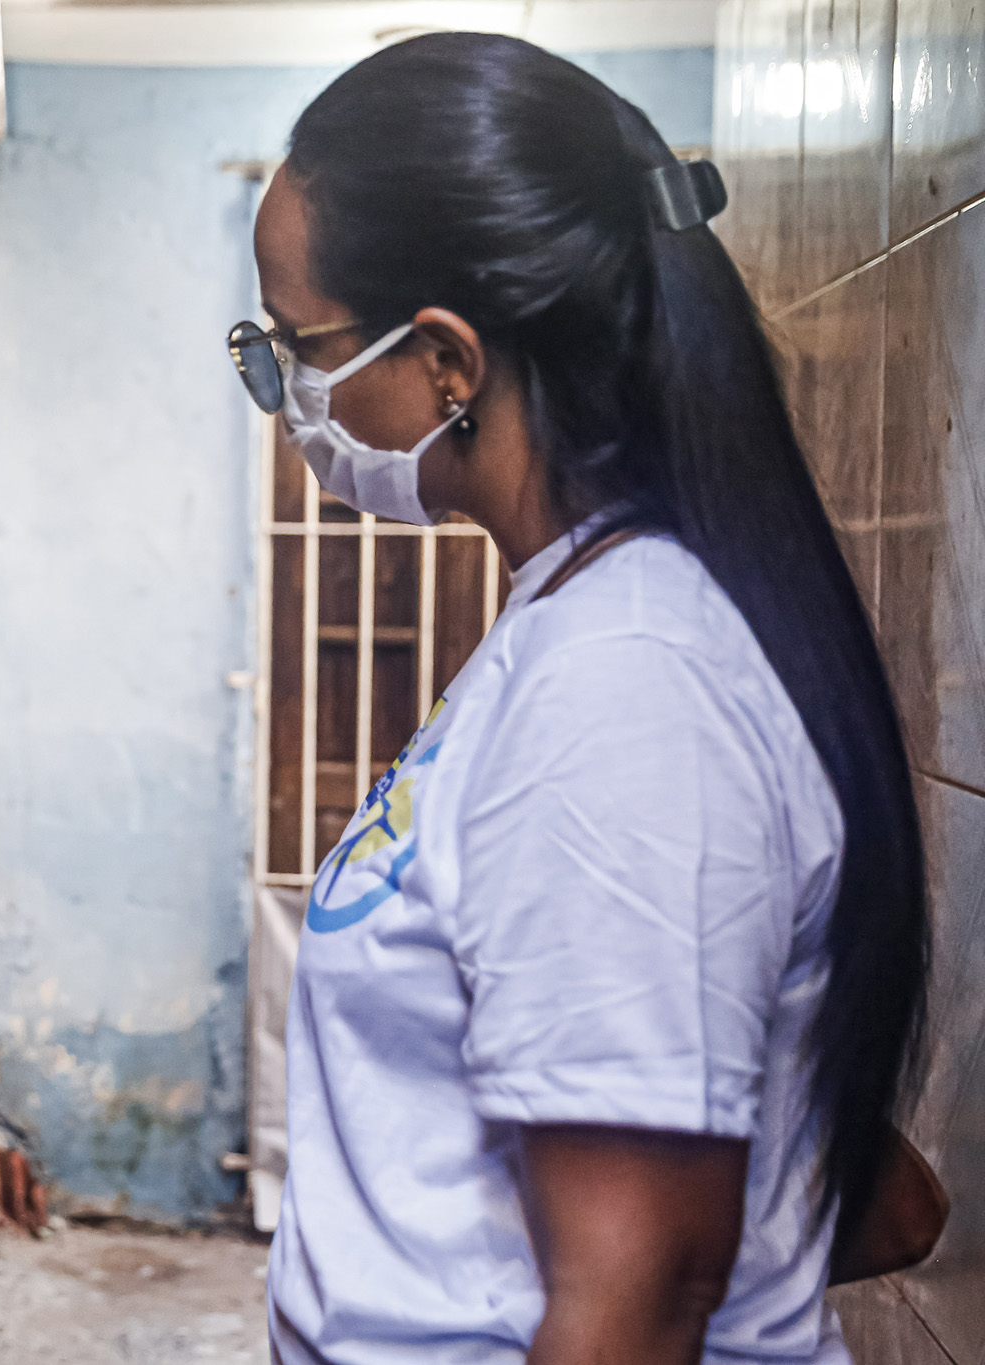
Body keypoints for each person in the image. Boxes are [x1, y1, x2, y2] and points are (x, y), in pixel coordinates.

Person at [230, 33, 929, 1365]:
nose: (291, 397)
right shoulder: (574, 621)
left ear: (442, 356)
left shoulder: (628, 687)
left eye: (295, 347)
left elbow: (639, 1291)